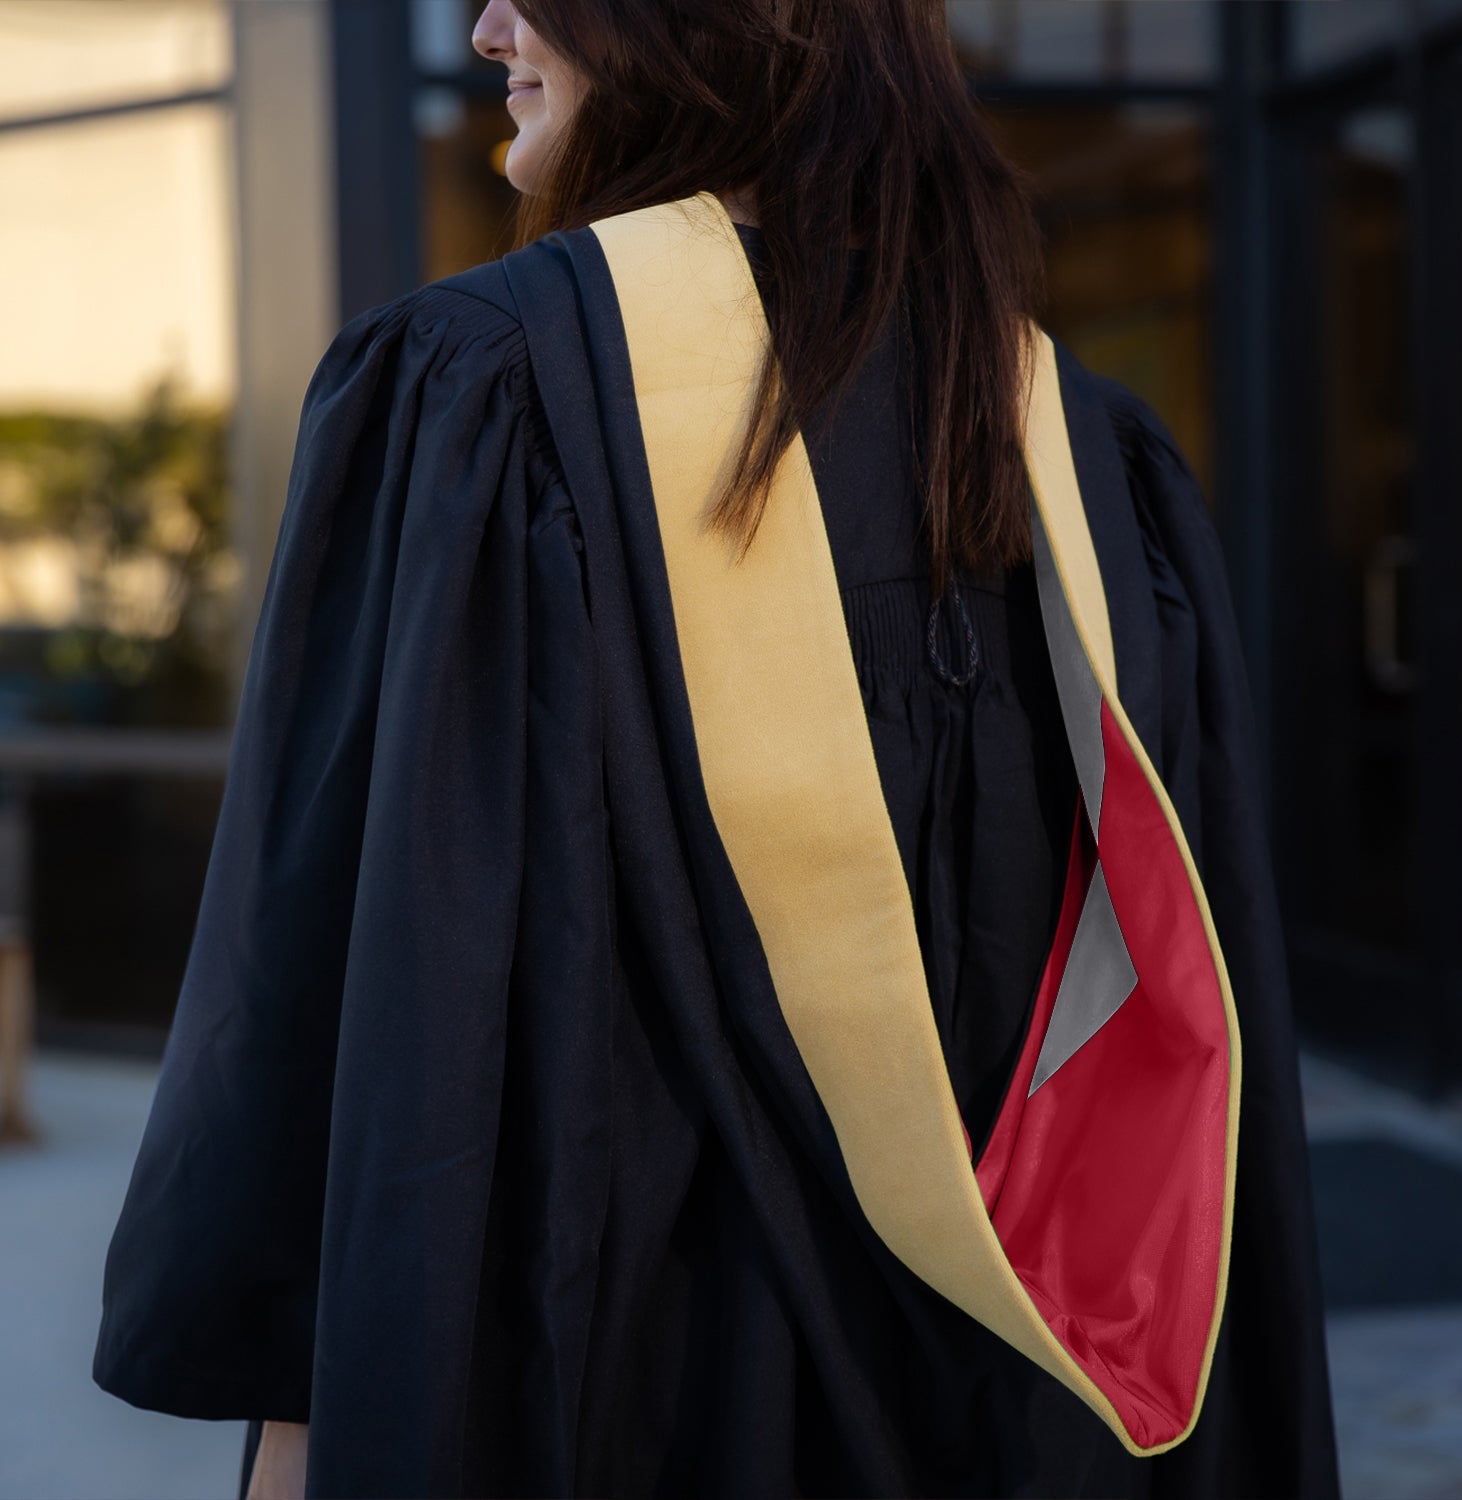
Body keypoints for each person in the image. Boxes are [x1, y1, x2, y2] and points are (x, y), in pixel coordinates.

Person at [92, 3, 1342, 1497]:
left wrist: (299, 1435)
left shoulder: (485, 391)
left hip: (616, 1388)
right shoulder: (1080, 454)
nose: (488, 26)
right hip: (1021, 1416)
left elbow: (335, 1002)